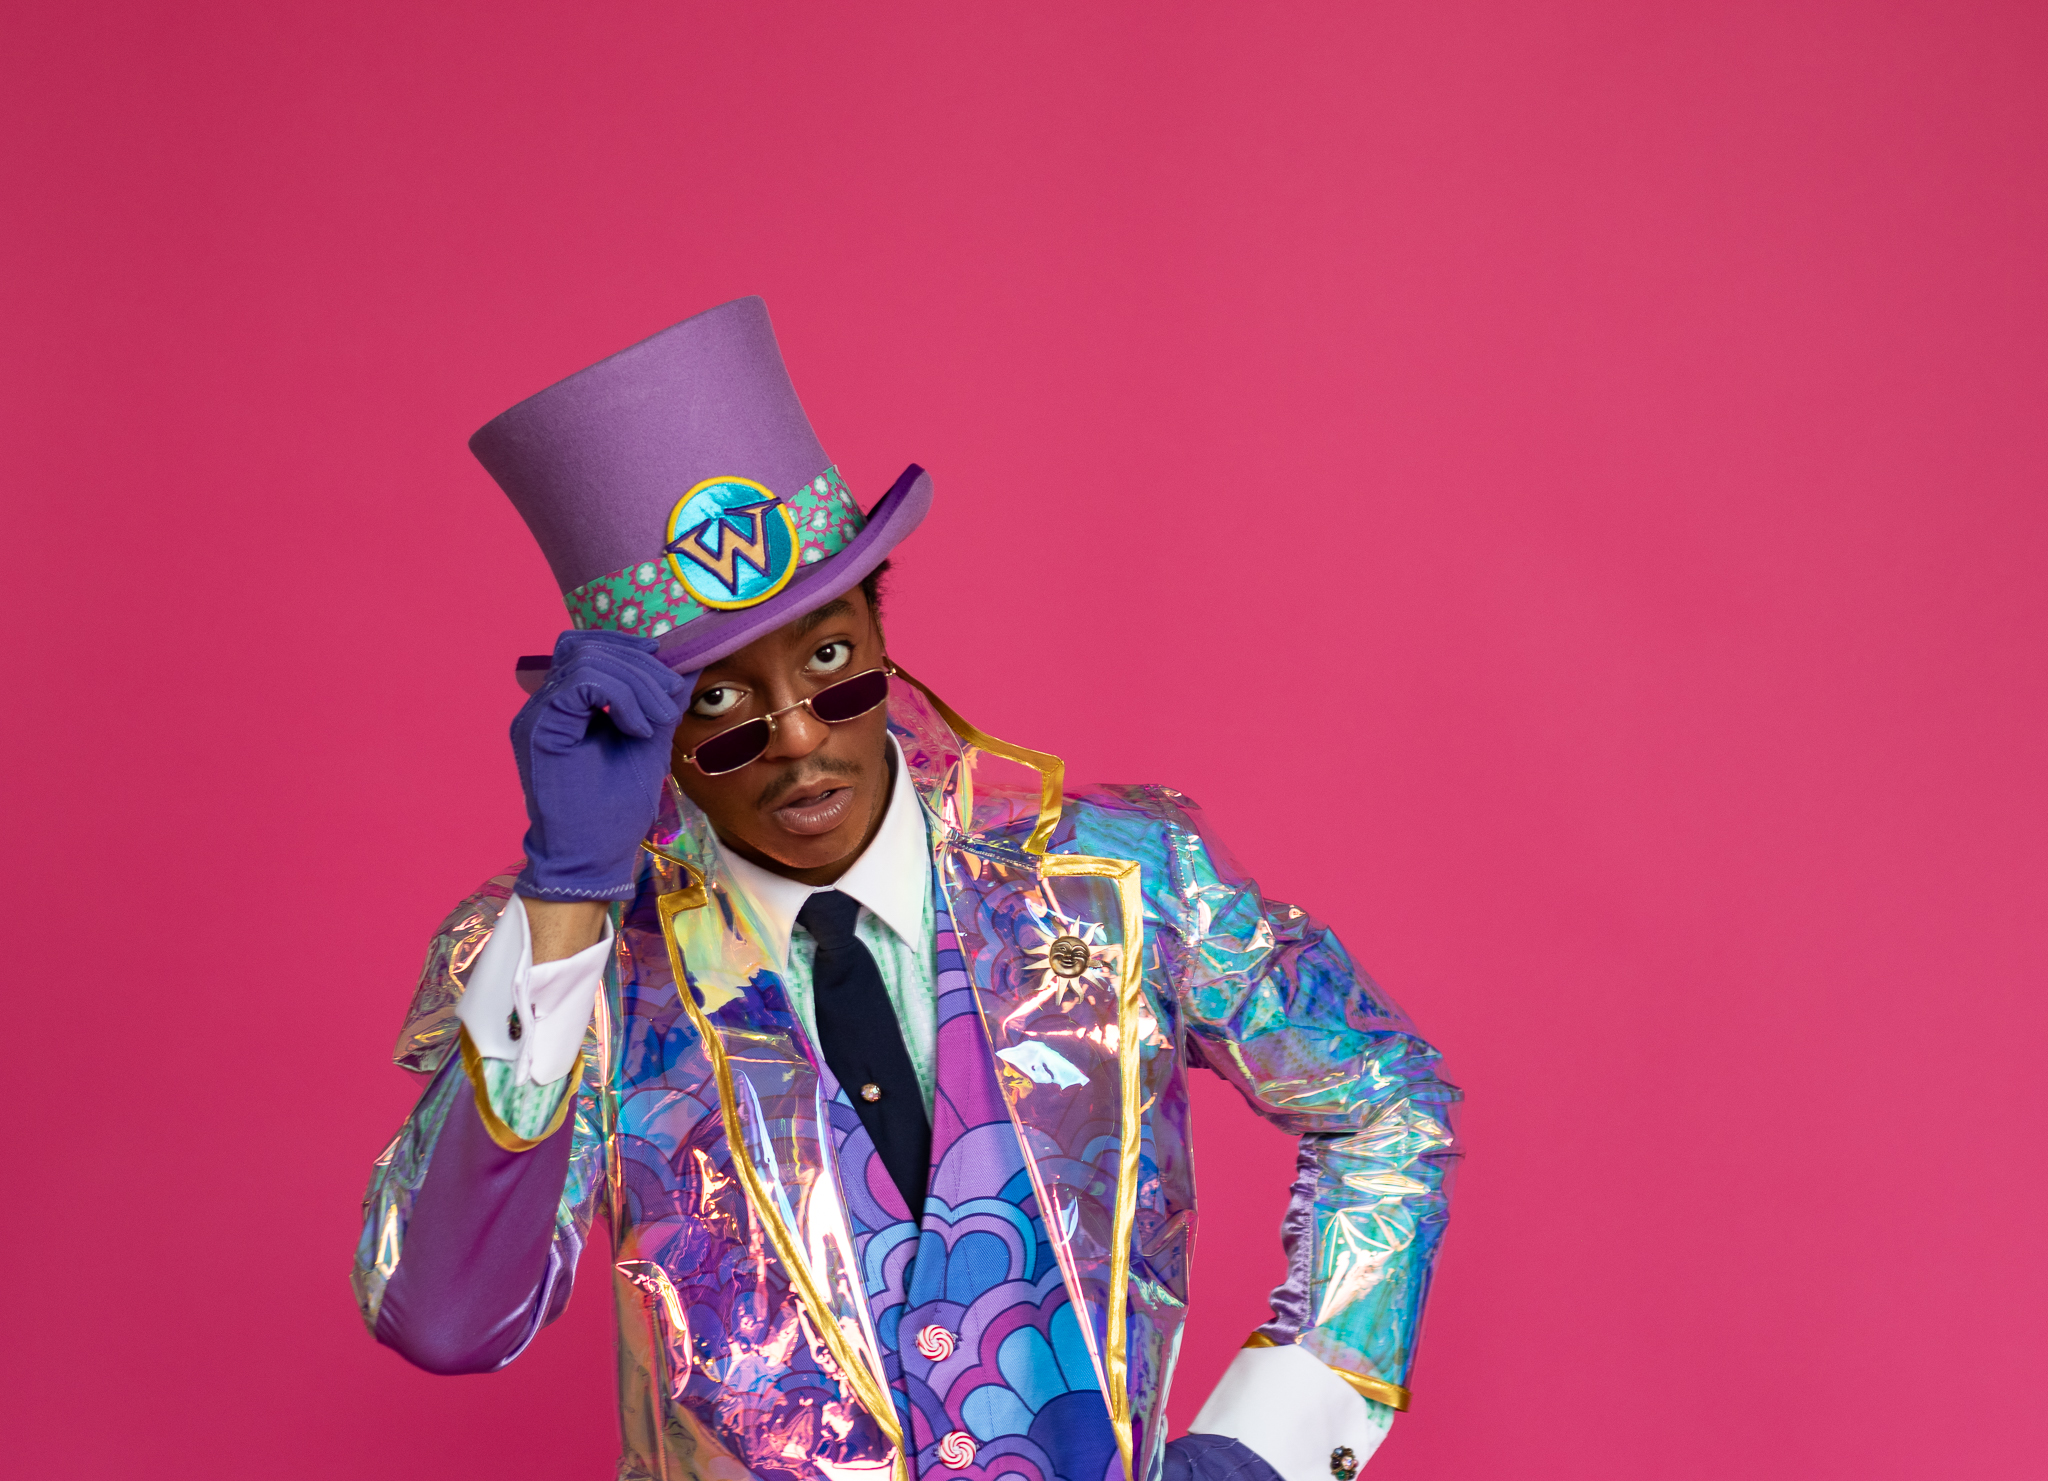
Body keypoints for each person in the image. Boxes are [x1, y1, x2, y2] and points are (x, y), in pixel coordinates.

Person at [353, 297, 1460, 1481]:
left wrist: (1274, 1435)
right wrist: (567, 889)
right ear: (643, 723)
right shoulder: (569, 965)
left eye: (829, 661)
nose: (796, 739)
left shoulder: (1125, 881)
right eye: (718, 701)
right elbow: (449, 1316)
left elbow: (1383, 1099)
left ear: (881, 632)